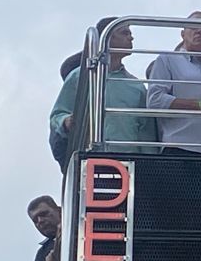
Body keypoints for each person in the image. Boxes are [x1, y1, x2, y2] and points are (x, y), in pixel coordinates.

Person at [49, 17, 157, 167]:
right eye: (125, 33)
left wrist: (150, 166)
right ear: (108, 38)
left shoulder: (136, 87)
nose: (131, 37)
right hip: (89, 160)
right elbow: (57, 115)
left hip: (128, 163)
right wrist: (66, 121)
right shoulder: (79, 77)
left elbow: (147, 134)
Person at [145, 12, 201, 152]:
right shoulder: (167, 60)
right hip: (180, 148)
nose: (200, 30)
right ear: (182, 34)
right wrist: (200, 104)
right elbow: (154, 100)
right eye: (194, 27)